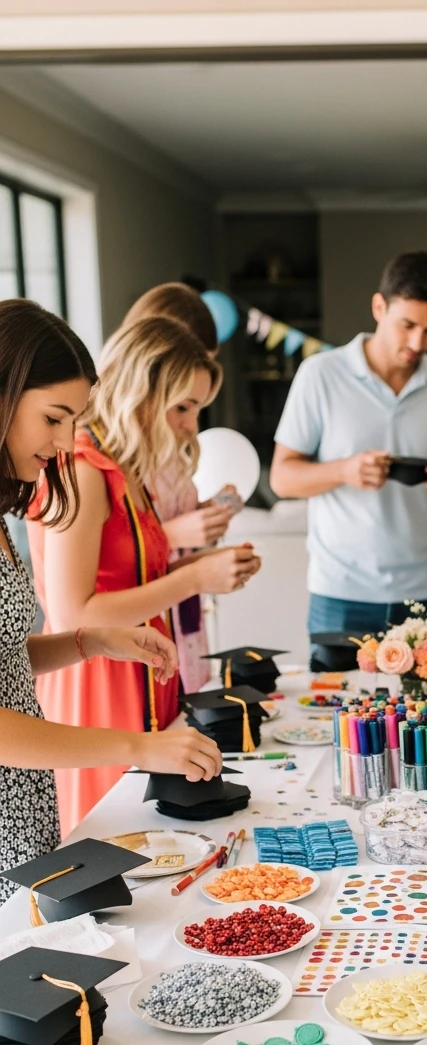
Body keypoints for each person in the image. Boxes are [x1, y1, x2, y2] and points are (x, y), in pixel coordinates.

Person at [0, 299, 221, 901]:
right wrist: (142, 747)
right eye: (54, 418)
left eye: (76, 420)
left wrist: (88, 640)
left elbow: (7, 661)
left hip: (24, 800)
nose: (68, 440)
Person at [28, 316, 259, 834]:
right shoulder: (82, 469)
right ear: (140, 394)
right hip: (96, 684)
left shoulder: (123, 470)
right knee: (113, 841)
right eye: (182, 407)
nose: (190, 426)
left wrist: (197, 567)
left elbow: (130, 578)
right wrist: (193, 581)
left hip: (137, 670)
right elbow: (72, 611)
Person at [269, 251, 427, 659]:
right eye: (408, 325)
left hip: (426, 591)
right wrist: (345, 470)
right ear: (379, 307)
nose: (418, 343)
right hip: (340, 593)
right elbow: (282, 478)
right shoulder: (320, 374)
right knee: (331, 721)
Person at [117, 282, 241, 691]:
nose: (191, 419)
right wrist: (178, 535)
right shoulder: (105, 458)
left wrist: (208, 516)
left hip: (178, 612)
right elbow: (118, 560)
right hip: (137, 629)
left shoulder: (171, 436)